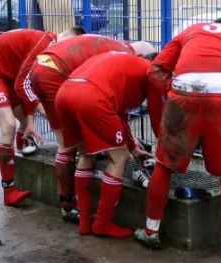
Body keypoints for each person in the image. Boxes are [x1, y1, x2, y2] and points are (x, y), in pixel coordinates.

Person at [133, 17, 221, 259]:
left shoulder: (189, 32)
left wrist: (174, 90)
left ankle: (151, 231)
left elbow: (154, 69)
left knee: (163, 166)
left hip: (183, 94)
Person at [24, 35, 156, 221]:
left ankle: (72, 207)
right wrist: (130, 146)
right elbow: (114, 108)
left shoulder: (113, 46)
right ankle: (76, 209)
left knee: (74, 147)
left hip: (44, 70)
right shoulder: (126, 57)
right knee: (80, 150)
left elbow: (115, 107)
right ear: (142, 56)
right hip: (58, 76)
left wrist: (132, 144)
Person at [0, 26, 86, 208]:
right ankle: (9, 191)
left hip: (9, 74)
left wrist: (29, 122)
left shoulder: (51, 44)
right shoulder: (47, 46)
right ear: (71, 41)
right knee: (8, 126)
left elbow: (27, 84)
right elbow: (22, 86)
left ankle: (22, 147)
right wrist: (47, 113)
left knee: (24, 124)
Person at [54, 51, 163, 237]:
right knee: (119, 158)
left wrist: (133, 146)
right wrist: (165, 152)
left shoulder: (128, 62)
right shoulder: (151, 74)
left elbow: (119, 114)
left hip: (65, 93)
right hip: (92, 97)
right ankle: (103, 223)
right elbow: (156, 119)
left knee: (86, 154)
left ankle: (85, 222)